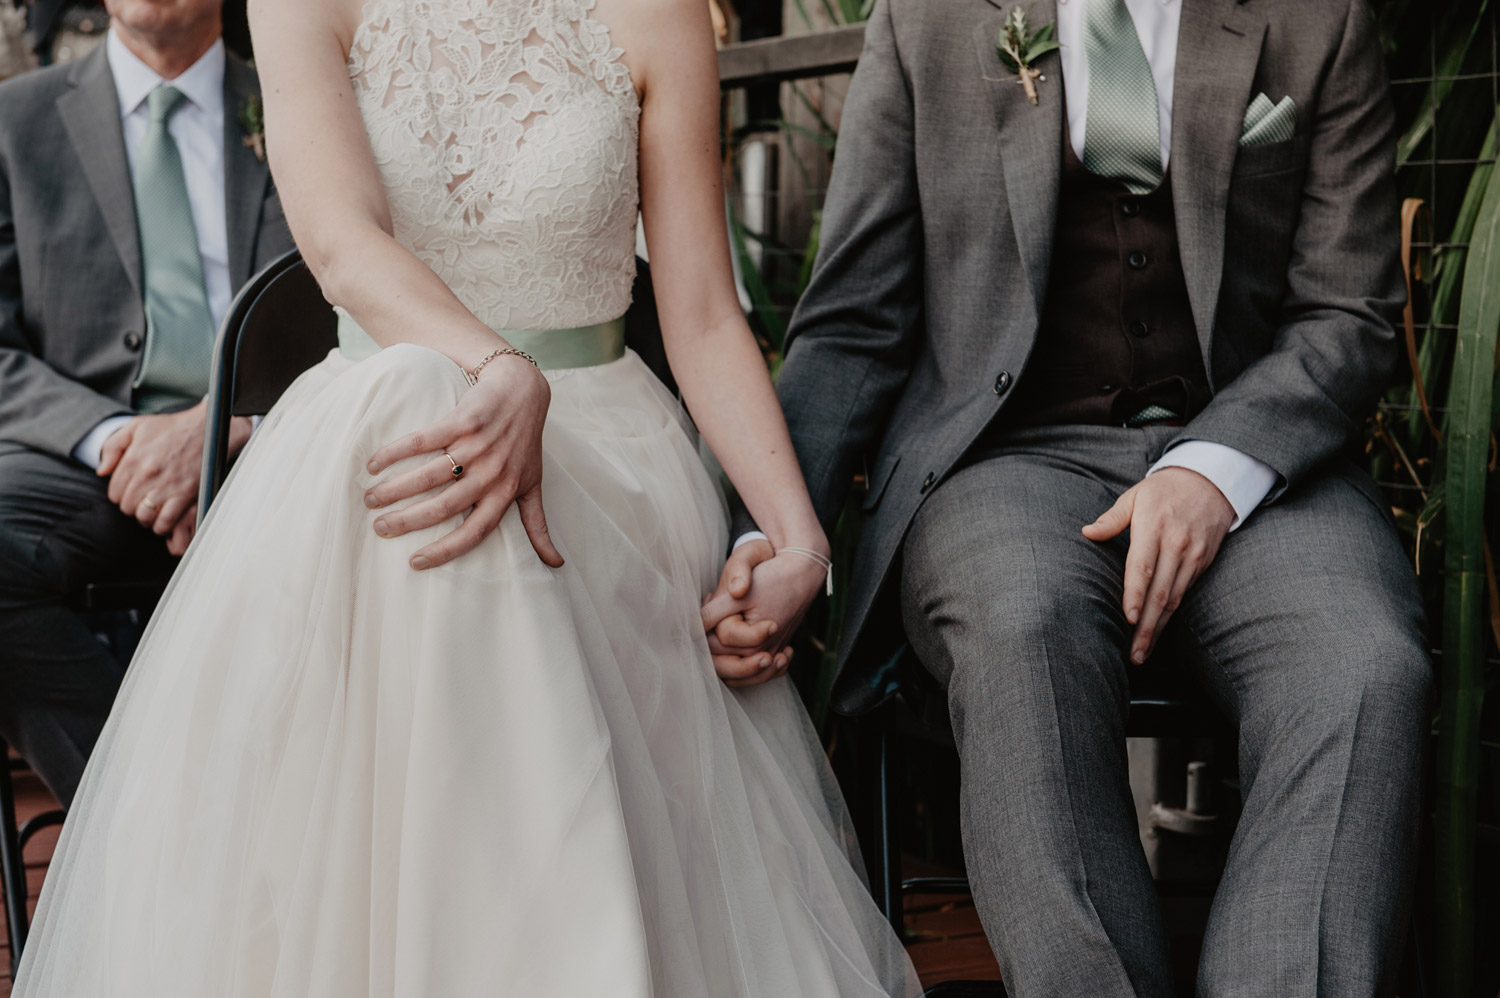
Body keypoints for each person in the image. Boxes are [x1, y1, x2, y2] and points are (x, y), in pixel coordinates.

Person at [13, 0, 920, 994]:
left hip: (610, 455)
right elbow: (339, 241)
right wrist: (496, 367)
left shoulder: (654, 12)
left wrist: (796, 538)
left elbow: (700, 309)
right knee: (421, 397)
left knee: (441, 433)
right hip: (382, 426)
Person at [706, 0, 1432, 994]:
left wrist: (1213, 469)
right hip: (1007, 462)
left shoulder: (1317, 18)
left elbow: (1349, 312)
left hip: (1259, 469)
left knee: (1362, 663)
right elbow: (853, 320)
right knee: (1021, 632)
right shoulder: (928, 20)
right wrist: (774, 536)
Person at [0, 0, 293, 807]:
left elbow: (341, 304)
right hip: (93, 469)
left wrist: (232, 424)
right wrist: (116, 440)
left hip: (283, 447)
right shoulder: (13, 121)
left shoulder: (303, 96)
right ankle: (148, 826)